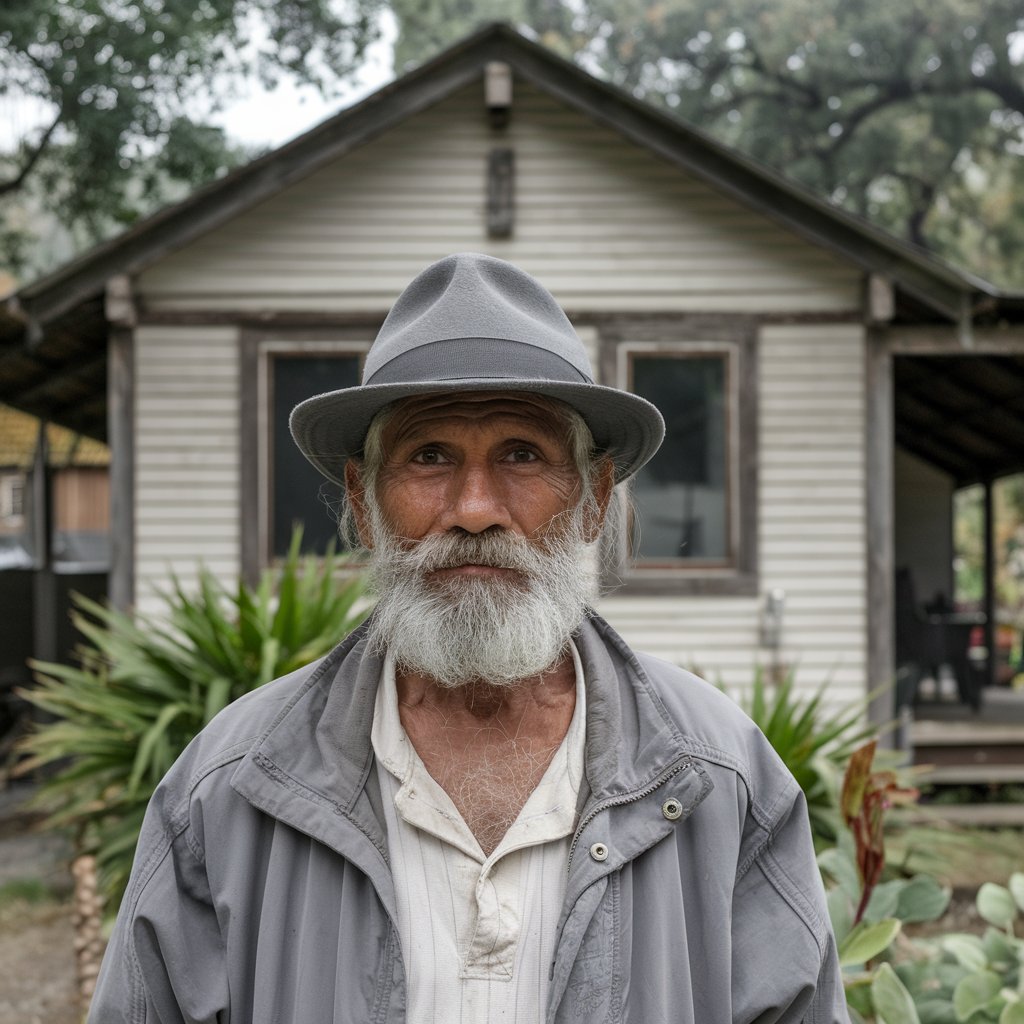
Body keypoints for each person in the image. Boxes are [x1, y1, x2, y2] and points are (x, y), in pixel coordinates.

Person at [89, 253, 849, 1023]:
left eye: (522, 454)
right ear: (364, 499)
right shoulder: (231, 789)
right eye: (430, 456)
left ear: (594, 500)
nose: (475, 508)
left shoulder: (721, 782)